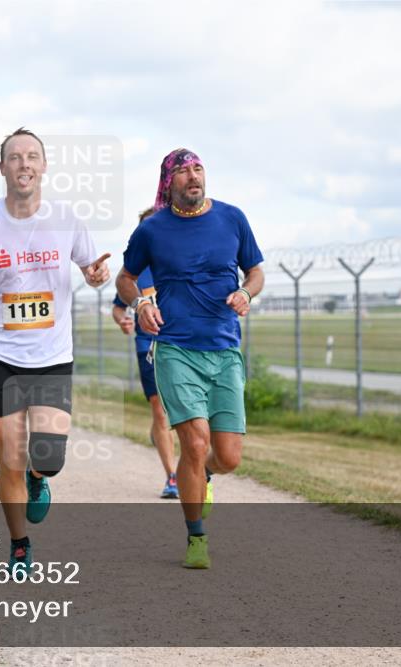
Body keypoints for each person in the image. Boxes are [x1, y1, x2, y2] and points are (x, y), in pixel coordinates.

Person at [0, 127, 110, 574]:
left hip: (52, 355)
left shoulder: (65, 219)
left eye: (32, 156)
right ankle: (19, 543)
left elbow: (93, 270)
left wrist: (97, 278)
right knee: (11, 456)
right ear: (2, 168)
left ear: (44, 166)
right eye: (15, 157)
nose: (24, 164)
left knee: (48, 458)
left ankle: (42, 480)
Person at [116, 148, 264, 570]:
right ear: (169, 183)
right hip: (176, 348)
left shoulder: (232, 218)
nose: (193, 177)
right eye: (183, 172)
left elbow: (255, 271)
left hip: (224, 349)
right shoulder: (153, 230)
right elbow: (125, 278)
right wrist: (142, 304)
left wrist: (247, 293)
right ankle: (196, 536)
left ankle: (206, 476)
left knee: (228, 456)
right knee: (194, 442)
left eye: (198, 169)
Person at [112, 207, 178, 499]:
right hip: (148, 346)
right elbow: (118, 306)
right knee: (160, 411)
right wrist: (124, 318)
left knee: (186, 413)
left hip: (183, 345)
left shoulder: (179, 262)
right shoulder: (134, 272)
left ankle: (167, 442)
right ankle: (172, 477)